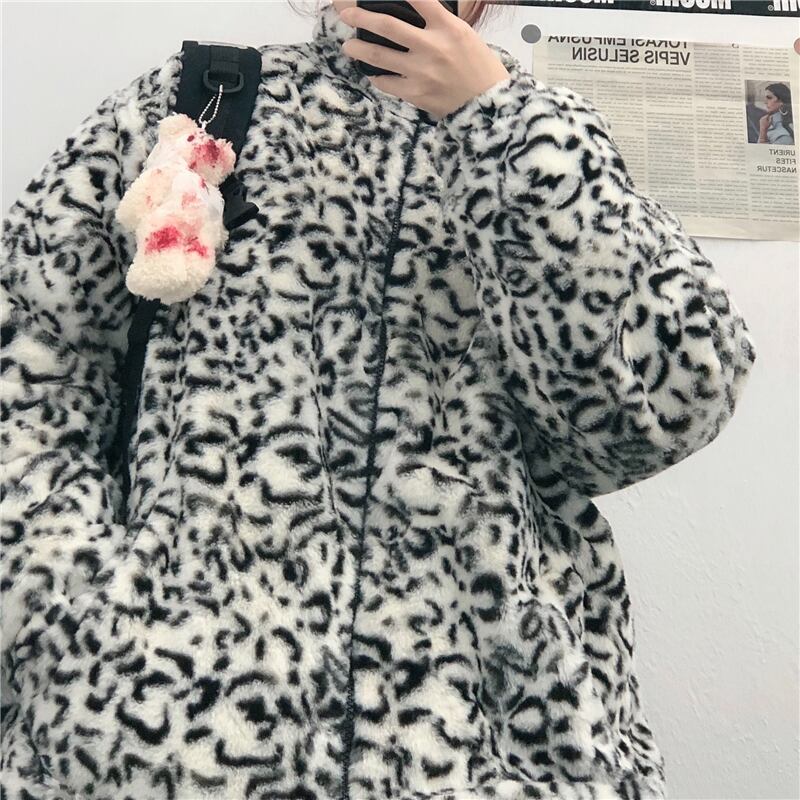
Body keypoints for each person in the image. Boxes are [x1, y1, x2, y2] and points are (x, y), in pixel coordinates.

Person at [0, 1, 758, 798]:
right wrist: (78, 621)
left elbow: (664, 409)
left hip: (493, 741)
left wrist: (501, 126)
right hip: (173, 741)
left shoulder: (550, 141)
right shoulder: (204, 103)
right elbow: (29, 370)